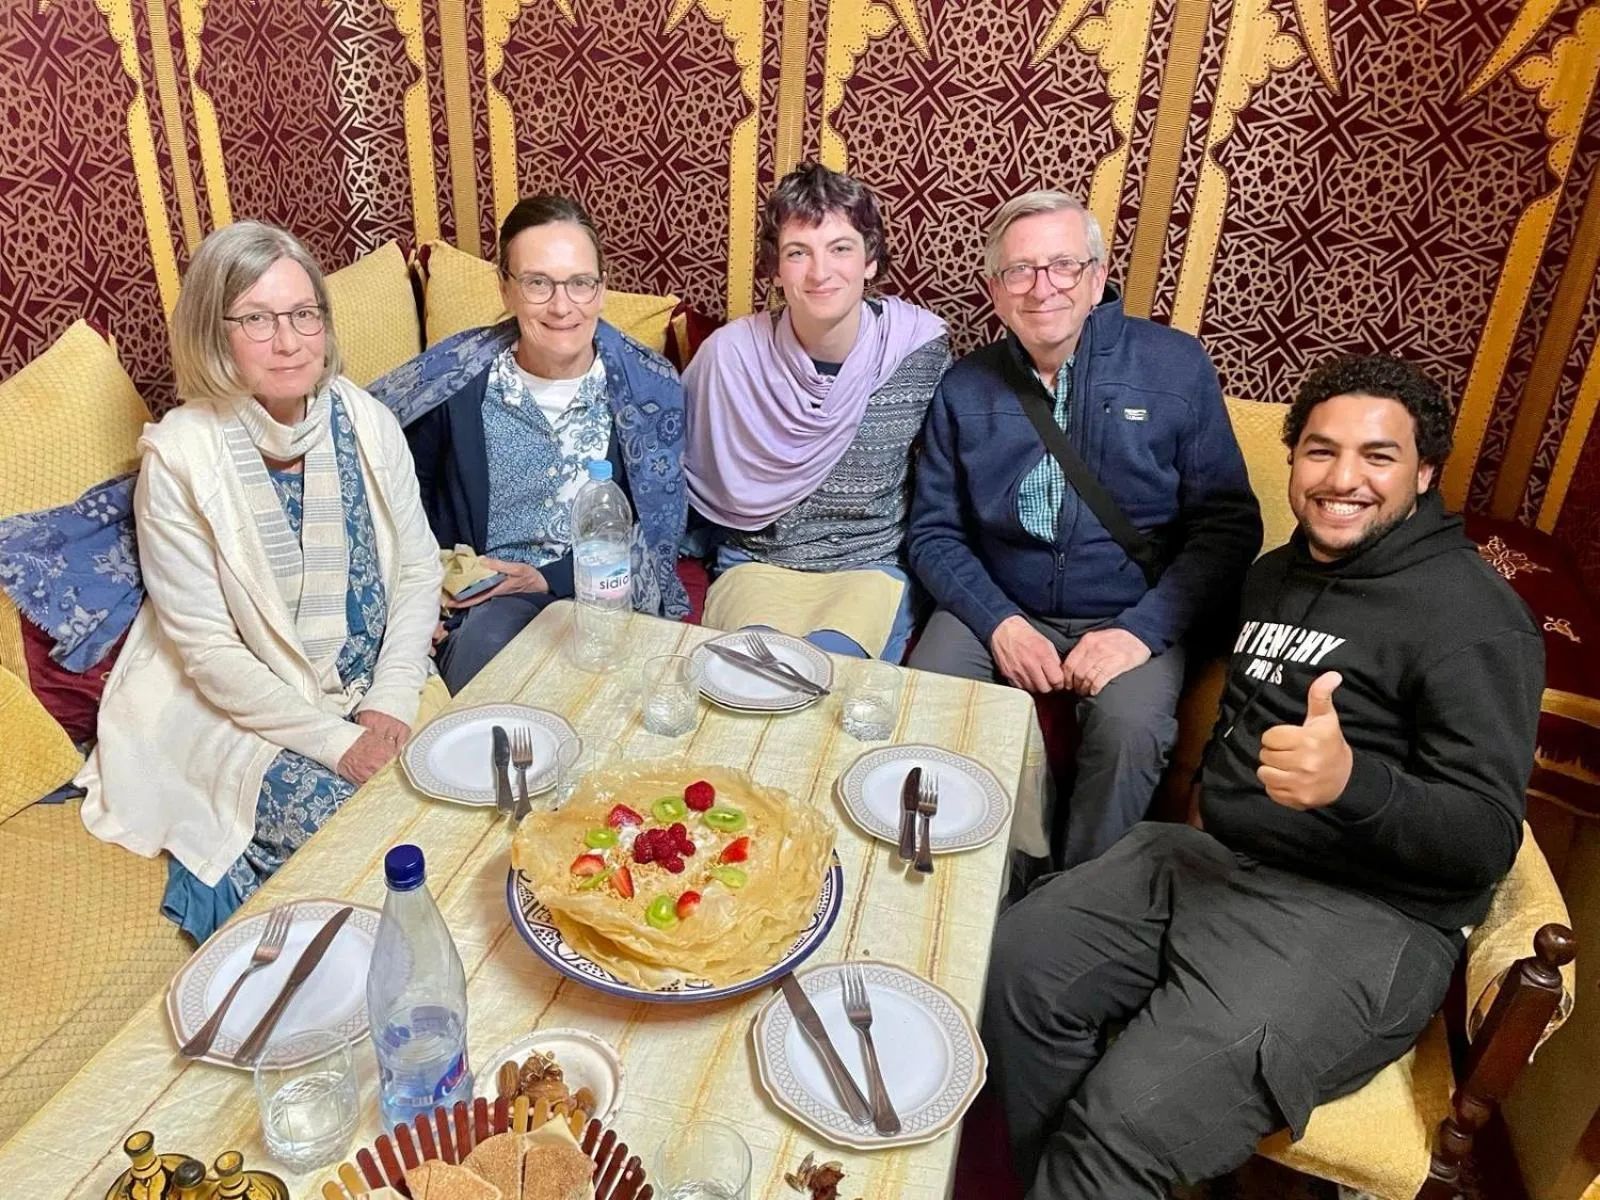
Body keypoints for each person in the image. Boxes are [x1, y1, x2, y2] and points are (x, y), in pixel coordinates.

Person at [983, 355, 1543, 1199]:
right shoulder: (1277, 575)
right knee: (1014, 965)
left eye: (1377, 457)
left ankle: (1098, 1166)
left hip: (1363, 921)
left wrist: (1355, 786)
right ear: (1293, 463)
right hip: (1213, 865)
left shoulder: (1475, 620)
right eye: (1320, 452)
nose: (1342, 478)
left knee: (1121, 1123)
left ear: (1426, 473)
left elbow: (1486, 840)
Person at [78, 221, 444, 942]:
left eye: (304, 314)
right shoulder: (182, 460)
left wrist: (391, 701)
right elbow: (209, 654)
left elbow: (418, 570)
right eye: (257, 319)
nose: (289, 341)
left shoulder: (364, 419)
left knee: (467, 799)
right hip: (233, 712)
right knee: (376, 844)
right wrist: (336, 744)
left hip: (365, 693)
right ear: (215, 333)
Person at [908, 191, 1261, 865]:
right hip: (1003, 600)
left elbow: (1228, 526)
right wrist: (998, 622)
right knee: (929, 696)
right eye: (1020, 270)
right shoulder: (965, 386)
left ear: (1097, 276)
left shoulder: (1175, 368)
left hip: (1133, 608)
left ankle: (1075, 899)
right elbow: (933, 532)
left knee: (1131, 730)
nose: (1043, 288)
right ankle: (973, 873)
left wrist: (1140, 631)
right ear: (994, 288)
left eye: (1063, 266)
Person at [380, 195, 689, 692]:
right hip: (490, 609)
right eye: (538, 283)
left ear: (602, 290)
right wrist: (419, 602)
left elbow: (653, 536)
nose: (562, 306)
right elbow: (398, 501)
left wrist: (549, 577)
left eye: (580, 283)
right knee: (500, 689)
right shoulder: (452, 387)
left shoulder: (648, 390)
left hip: (605, 597)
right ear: (506, 289)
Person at [683, 162, 948, 662]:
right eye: (798, 253)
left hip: (866, 568)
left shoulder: (919, 349)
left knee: (829, 679)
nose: (820, 272)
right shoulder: (730, 356)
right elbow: (672, 467)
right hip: (758, 564)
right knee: (756, 681)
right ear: (775, 268)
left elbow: (948, 477)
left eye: (840, 248)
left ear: (870, 260)